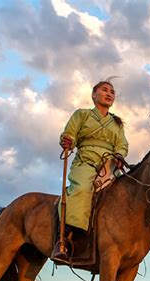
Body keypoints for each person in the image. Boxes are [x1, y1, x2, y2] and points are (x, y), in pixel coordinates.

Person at [51, 79, 128, 263]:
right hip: (86, 161)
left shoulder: (117, 124)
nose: (109, 93)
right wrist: (68, 140)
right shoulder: (82, 115)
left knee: (125, 194)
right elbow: (70, 133)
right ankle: (66, 239)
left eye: (112, 91)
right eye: (104, 90)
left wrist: (119, 155)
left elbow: (122, 145)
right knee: (81, 189)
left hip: (108, 165)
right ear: (94, 95)